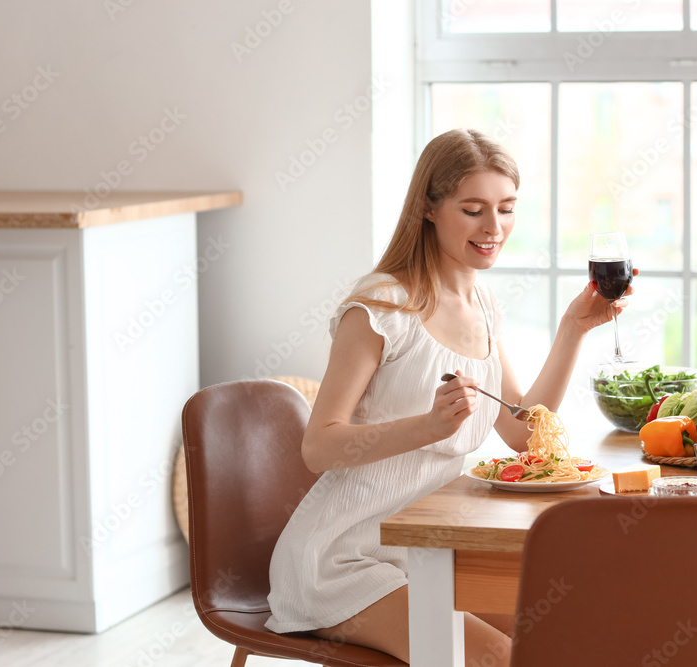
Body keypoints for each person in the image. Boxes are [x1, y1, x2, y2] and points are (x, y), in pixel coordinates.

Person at [265, 128, 637, 663]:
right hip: (341, 560)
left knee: (566, 636)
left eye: (506, 209)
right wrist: (427, 426)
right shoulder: (380, 308)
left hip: (428, 553)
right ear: (429, 208)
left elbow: (520, 432)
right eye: (473, 209)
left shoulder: (482, 304)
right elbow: (318, 447)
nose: (494, 228)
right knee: (501, 661)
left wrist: (573, 330)